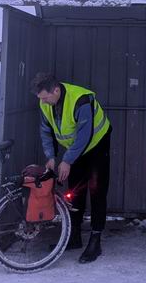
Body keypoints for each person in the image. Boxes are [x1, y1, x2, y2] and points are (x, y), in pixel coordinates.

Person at [32, 73, 111, 263]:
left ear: (56, 90)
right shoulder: (45, 103)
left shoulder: (81, 100)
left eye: (45, 97)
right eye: (40, 98)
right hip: (75, 149)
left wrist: (67, 160)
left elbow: (85, 135)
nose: (43, 102)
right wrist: (51, 157)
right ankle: (74, 236)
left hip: (96, 145)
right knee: (75, 191)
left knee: (97, 189)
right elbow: (46, 130)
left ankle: (96, 239)